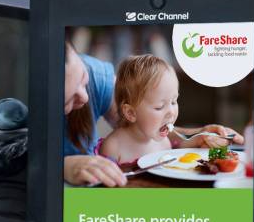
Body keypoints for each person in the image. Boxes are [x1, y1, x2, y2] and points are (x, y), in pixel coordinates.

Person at [61, 42, 241, 186]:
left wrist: (198, 135)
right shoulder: (113, 147)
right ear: (130, 112)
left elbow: (148, 129)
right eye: (68, 100)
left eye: (174, 101)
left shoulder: (161, 139)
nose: (85, 97)